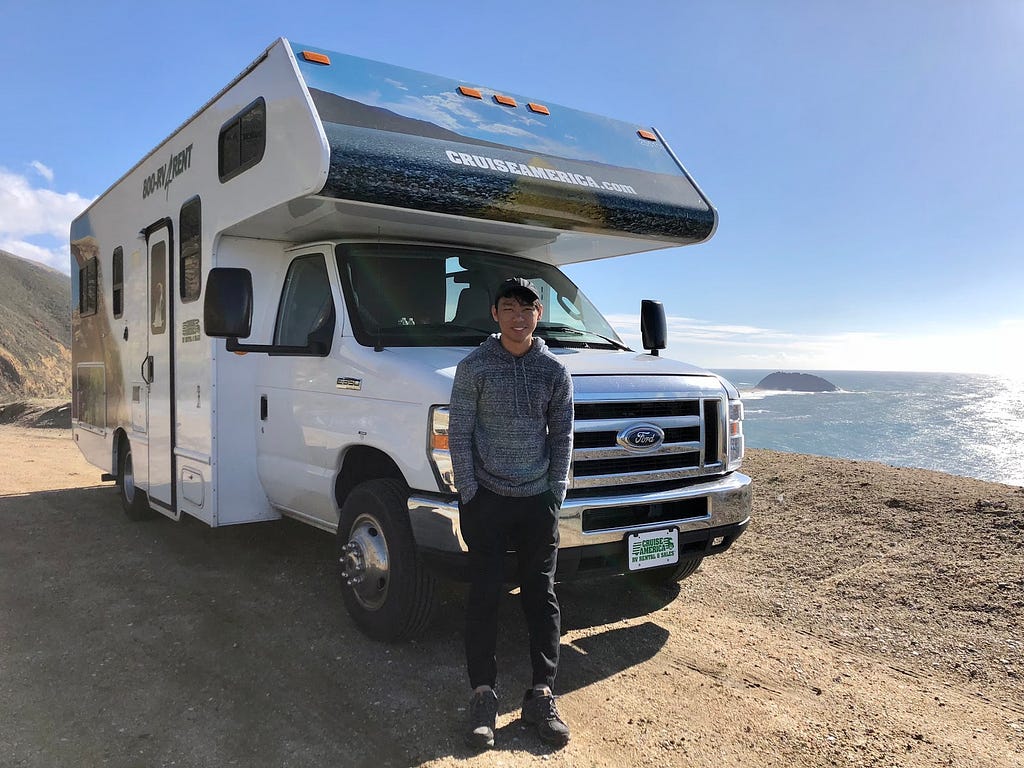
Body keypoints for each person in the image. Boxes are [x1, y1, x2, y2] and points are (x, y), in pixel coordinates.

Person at [448, 277, 574, 750]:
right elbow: (458, 434)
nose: (518, 316)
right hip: (488, 500)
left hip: (537, 499)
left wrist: (554, 492)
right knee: (484, 595)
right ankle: (483, 696)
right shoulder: (474, 367)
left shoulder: (554, 371)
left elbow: (561, 435)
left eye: (527, 307)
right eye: (508, 307)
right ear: (495, 315)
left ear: (538, 314)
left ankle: (541, 694)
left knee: (541, 595)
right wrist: (470, 493)